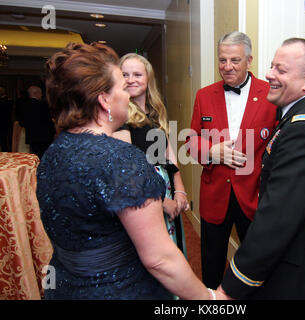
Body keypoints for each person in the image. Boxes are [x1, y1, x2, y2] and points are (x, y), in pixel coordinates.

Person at [37, 42, 215, 300]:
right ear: (104, 100)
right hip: (120, 289)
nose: (128, 94)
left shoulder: (52, 152)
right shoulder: (120, 159)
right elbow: (159, 259)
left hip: (67, 286)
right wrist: (211, 300)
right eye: (122, 86)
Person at [218, 38, 305, 299]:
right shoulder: (300, 118)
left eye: (281, 70)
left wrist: (231, 287)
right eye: (271, 66)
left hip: (300, 273)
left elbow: (277, 219)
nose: (268, 74)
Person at [185, 31, 277, 289]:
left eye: (235, 60)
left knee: (256, 262)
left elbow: (280, 142)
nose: (227, 67)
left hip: (254, 194)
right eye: (222, 60)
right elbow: (191, 140)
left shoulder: (271, 93)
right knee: (211, 260)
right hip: (215, 194)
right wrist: (212, 152)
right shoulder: (204, 95)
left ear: (249, 60)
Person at [113, 53, 189, 257]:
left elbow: (168, 152)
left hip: (164, 185)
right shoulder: (120, 114)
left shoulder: (156, 109)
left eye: (137, 74)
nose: (131, 80)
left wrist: (180, 189)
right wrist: (162, 202)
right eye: (125, 75)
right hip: (144, 194)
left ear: (148, 78)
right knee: (155, 256)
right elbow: (126, 171)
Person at [18, 85, 55, 159]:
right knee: (45, 158)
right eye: (40, 93)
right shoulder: (43, 105)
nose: (41, 95)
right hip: (45, 137)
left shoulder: (23, 105)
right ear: (36, 93)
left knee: (35, 157)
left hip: (32, 137)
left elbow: (21, 123)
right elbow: (49, 122)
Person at [0, 86, 13, 152]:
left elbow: (9, 109)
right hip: (1, 123)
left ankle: (10, 151)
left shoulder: (8, 100)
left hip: (7, 122)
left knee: (9, 138)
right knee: (2, 140)